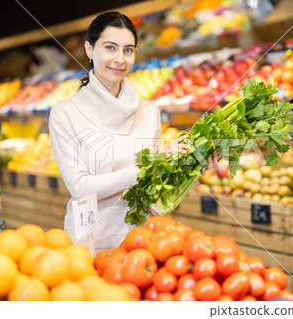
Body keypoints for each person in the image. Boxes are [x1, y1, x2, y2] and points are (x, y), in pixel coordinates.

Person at [49, 12, 218, 253]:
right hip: (90, 244)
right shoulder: (65, 113)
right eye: (110, 48)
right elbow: (81, 188)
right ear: (89, 49)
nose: (120, 59)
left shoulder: (150, 112)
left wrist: (190, 168)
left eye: (128, 50)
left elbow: (154, 188)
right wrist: (152, 165)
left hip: (143, 243)